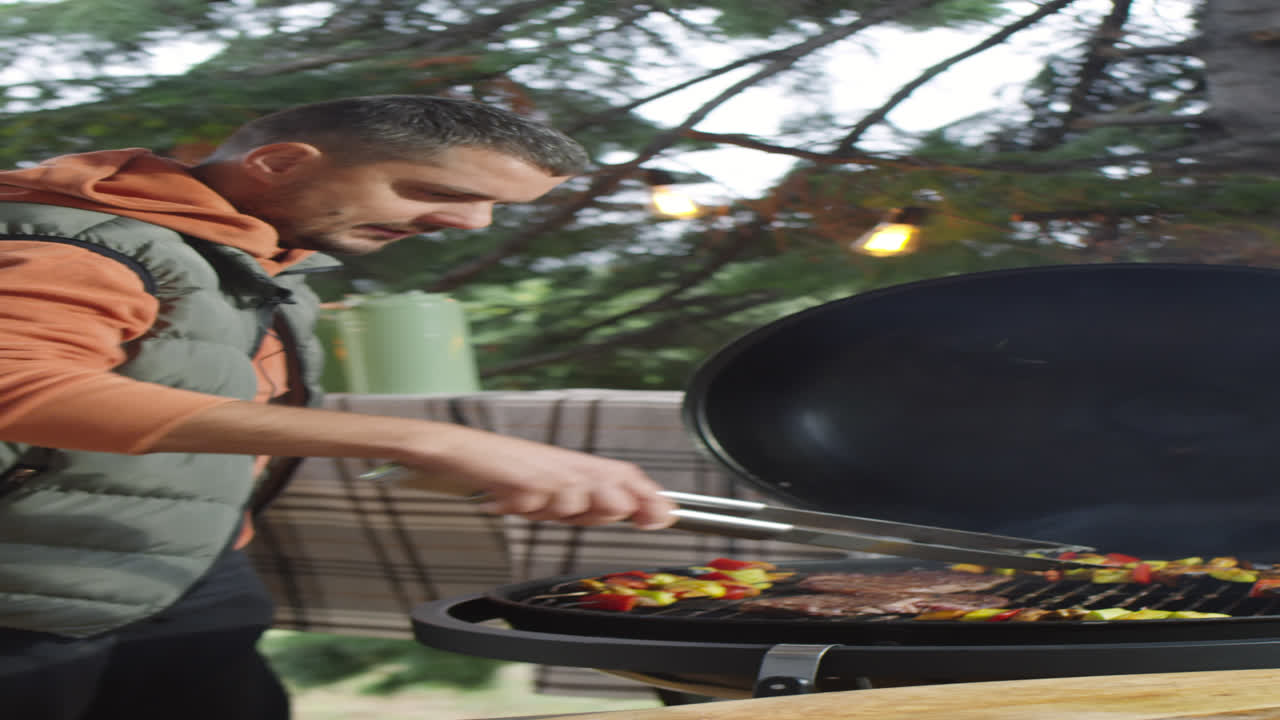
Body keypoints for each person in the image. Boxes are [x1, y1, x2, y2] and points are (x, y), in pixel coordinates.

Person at [0, 94, 677, 719]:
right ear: (277, 162)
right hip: (26, 601)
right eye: (439, 192)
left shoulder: (259, 259)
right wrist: (424, 440)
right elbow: (21, 387)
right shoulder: (76, 243)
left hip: (184, 575)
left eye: (495, 208)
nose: (464, 223)